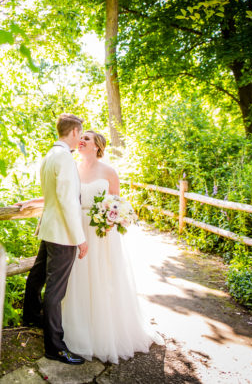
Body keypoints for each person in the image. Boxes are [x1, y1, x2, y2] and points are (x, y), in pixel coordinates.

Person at [19, 130, 164, 364]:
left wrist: (110, 220)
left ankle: (102, 330)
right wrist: (31, 202)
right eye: (81, 137)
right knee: (74, 280)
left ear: (98, 146)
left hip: (100, 233)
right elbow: (60, 196)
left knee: (101, 278)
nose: (82, 141)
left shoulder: (109, 172)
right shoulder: (72, 166)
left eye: (87, 138)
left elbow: (117, 203)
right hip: (75, 229)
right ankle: (73, 327)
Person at [21, 113, 89, 365]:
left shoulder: (50, 155)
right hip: (62, 233)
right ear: (73, 132)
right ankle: (55, 347)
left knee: (37, 276)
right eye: (80, 134)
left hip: (50, 229)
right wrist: (80, 238)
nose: (81, 138)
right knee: (55, 291)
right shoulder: (64, 158)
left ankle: (29, 316)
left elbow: (52, 196)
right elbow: (68, 202)